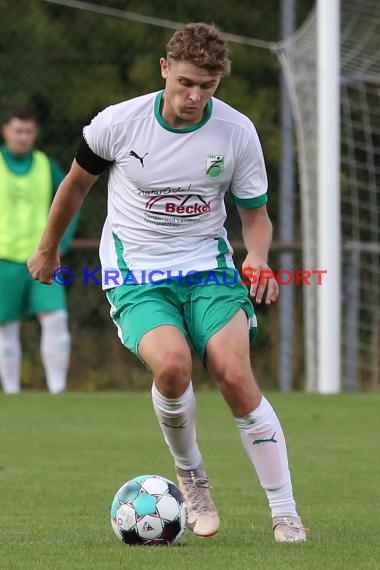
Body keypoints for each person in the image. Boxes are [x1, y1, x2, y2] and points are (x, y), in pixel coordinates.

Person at [28, 23, 306, 541]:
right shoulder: (119, 123)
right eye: (185, 83)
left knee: (234, 375)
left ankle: (285, 510)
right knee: (174, 367)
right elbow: (74, 186)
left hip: (209, 268)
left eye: (207, 85)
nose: (194, 96)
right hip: (139, 274)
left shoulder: (236, 131)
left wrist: (260, 259)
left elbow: (255, 216)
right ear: (164, 70)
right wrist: (47, 248)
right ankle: (193, 478)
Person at [0, 108, 77, 394]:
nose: (23, 137)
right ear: (6, 131)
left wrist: (61, 244)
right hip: (3, 260)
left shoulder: (47, 166)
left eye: (28, 132)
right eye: (18, 131)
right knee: (5, 327)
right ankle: (11, 391)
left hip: (42, 260)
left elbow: (71, 200)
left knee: (55, 318)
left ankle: (58, 391)